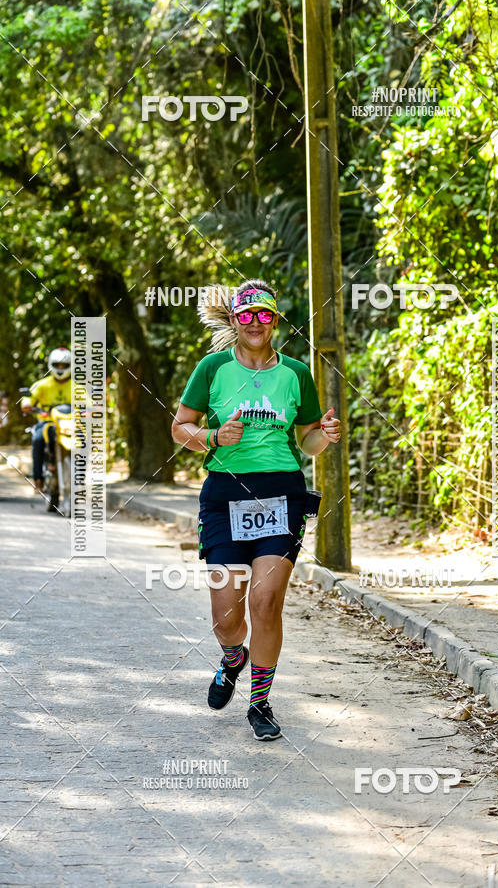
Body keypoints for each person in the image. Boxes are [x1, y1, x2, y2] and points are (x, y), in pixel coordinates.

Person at [172, 280, 341, 740]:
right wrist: (211, 437)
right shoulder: (212, 369)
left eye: (264, 315)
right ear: (235, 321)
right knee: (227, 618)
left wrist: (323, 435)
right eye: (246, 316)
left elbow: (306, 441)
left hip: (280, 495)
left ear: (275, 321)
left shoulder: (294, 373)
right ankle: (232, 657)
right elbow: (179, 427)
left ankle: (261, 703)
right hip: (225, 495)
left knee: (267, 603)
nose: (255, 324)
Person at [20, 348, 72, 495]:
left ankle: (80, 474)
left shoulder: (76, 387)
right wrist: (27, 405)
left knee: (84, 440)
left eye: (64, 365)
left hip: (69, 425)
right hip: (46, 423)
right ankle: (38, 481)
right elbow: (27, 400)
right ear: (52, 365)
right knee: (37, 439)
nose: (60, 369)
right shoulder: (41, 385)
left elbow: (89, 401)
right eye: (58, 365)